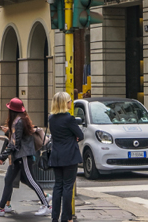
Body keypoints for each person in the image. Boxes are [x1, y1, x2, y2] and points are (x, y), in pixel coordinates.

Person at [0, 98, 52, 216]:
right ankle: (1, 207)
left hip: (23, 156)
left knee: (31, 180)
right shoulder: (21, 120)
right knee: (9, 179)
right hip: (19, 156)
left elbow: (15, 142)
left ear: (11, 110)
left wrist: (2, 157)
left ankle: (47, 205)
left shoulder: (19, 122)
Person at [48, 92, 83, 222]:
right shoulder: (69, 119)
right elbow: (80, 134)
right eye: (69, 101)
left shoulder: (51, 118)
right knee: (68, 187)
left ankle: (54, 217)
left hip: (56, 155)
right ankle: (66, 217)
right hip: (69, 156)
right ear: (65, 103)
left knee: (58, 186)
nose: (71, 103)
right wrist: (73, 138)